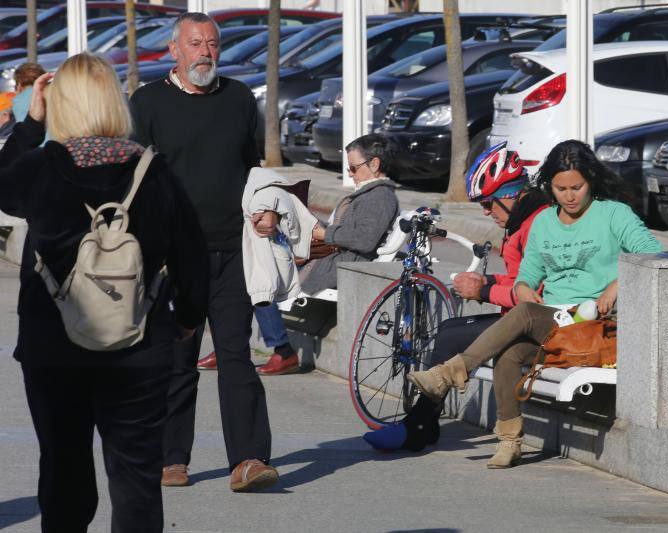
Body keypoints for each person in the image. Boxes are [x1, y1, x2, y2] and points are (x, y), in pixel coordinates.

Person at [0, 53, 208, 532]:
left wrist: (31, 126)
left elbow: (3, 191)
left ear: (61, 106)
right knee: (135, 478)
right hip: (140, 346)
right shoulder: (153, 172)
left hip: (53, 346)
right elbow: (191, 254)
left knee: (63, 468)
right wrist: (186, 319)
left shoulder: (42, 168)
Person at [407, 140, 663, 468]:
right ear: (549, 186)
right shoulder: (544, 223)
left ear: (591, 181)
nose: (569, 196)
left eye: (577, 187)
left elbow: (654, 253)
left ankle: (450, 373)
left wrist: (616, 285)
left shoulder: (613, 214)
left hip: (593, 324)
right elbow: (527, 274)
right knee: (510, 355)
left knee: (525, 313)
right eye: (560, 189)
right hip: (555, 324)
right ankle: (510, 440)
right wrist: (525, 286)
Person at [130, 12, 278, 492]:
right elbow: (135, 178)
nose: (205, 53)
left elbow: (250, 167)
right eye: (195, 44)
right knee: (177, 359)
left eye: (212, 44)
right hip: (173, 258)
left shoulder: (238, 99)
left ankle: (249, 460)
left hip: (233, 250)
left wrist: (264, 209)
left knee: (236, 354)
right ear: (174, 50)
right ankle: (172, 458)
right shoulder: (148, 102)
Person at [362, 142, 549, 452]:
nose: (486, 213)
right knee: (450, 330)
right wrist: (488, 280)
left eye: (488, 204)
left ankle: (418, 428)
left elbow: (534, 297)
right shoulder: (522, 220)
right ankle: (423, 423)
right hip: (519, 320)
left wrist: (485, 290)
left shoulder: (535, 226)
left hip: (535, 326)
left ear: (510, 194)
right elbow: (521, 282)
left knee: (451, 337)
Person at [198, 133, 401, 376]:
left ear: (375, 164)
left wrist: (323, 233)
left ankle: (280, 351)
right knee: (254, 267)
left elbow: (364, 239)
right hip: (330, 259)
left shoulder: (379, 197)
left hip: (337, 266)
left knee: (258, 273)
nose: (350, 173)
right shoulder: (371, 194)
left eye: (354, 168)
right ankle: (232, 348)